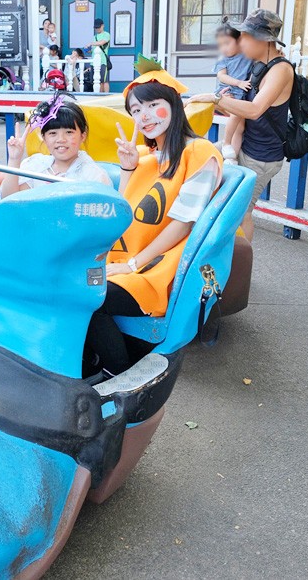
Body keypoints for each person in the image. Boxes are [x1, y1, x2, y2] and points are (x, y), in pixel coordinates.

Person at [84, 60, 223, 377]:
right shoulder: (143, 156)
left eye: (152, 105)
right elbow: (124, 211)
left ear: (173, 105)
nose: (143, 116)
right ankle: (91, 360)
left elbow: (183, 223)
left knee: (85, 294)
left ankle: (118, 373)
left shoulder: (199, 152)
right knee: (66, 281)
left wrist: (132, 265)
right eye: (135, 110)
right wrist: (128, 170)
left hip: (158, 268)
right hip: (125, 259)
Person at [186, 9, 294, 242]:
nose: (241, 41)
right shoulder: (258, 65)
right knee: (201, 160)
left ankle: (241, 266)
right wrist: (222, 102)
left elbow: (255, 110)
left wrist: (215, 98)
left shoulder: (280, 70)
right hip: (245, 145)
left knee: (242, 212)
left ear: (261, 39)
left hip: (261, 156)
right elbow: (240, 108)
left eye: (245, 36)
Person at [0, 95, 111, 198]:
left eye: (69, 132)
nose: (61, 140)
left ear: (82, 136)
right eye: (53, 133)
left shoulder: (93, 176)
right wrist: (14, 160)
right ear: (44, 138)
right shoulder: (36, 166)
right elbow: (9, 200)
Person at [213, 20, 254, 163]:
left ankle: (232, 157)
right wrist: (238, 83)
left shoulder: (247, 55)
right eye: (220, 44)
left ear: (239, 41)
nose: (223, 48)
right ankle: (226, 143)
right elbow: (221, 76)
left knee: (240, 127)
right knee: (236, 115)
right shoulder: (223, 59)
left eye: (227, 43)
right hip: (227, 91)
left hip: (240, 95)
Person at [90, 18, 111, 92]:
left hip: (102, 61)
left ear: (103, 26)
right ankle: (99, 95)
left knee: (104, 80)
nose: (97, 29)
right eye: (96, 27)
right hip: (93, 62)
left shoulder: (106, 34)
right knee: (96, 81)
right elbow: (92, 49)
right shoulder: (94, 37)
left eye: (98, 27)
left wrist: (91, 43)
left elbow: (102, 42)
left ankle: (106, 96)